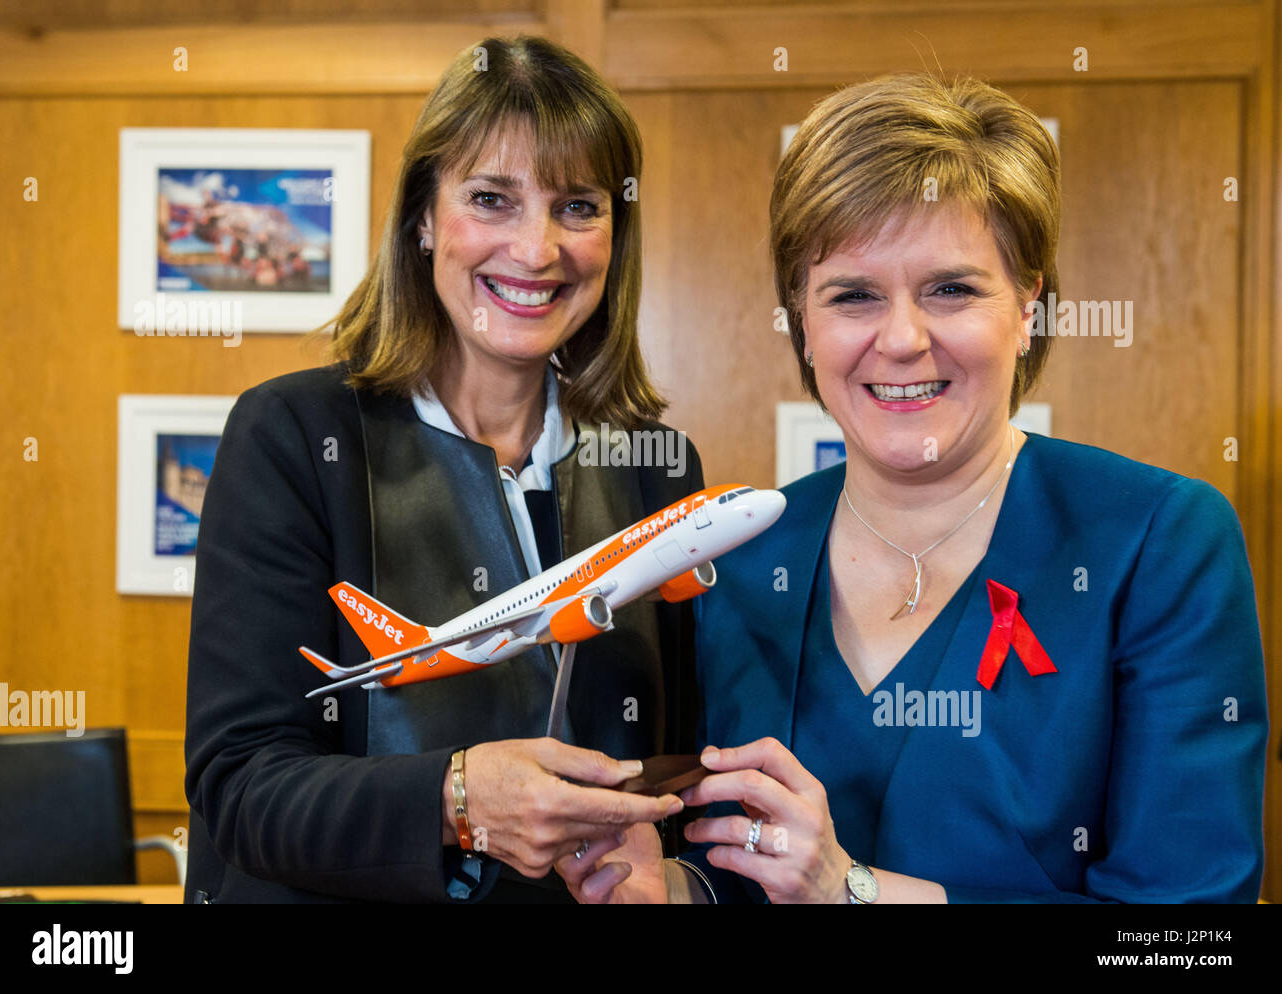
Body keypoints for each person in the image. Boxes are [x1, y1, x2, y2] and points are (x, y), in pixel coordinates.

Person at [557, 73, 1267, 903]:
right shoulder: (736, 561)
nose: (902, 340)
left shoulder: (1158, 543)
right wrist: (674, 890)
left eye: (951, 289)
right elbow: (738, 874)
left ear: (1028, 304)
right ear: (802, 321)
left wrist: (852, 890)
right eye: (853, 296)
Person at [183, 35, 703, 904]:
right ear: (423, 217)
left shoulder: (658, 468)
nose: (537, 250)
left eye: (578, 207)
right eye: (492, 200)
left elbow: (673, 758)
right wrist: (455, 797)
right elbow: (240, 784)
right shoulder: (292, 438)